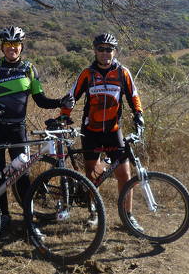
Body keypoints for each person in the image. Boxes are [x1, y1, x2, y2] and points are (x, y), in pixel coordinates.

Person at [0, 25, 74, 235]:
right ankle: (3, 216)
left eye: (16, 44)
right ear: (2, 47)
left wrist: (59, 102)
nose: (12, 48)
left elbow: (40, 100)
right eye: (8, 44)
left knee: (22, 173)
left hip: (18, 128)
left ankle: (28, 219)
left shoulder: (29, 69)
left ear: (22, 47)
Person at [59, 33, 145, 230]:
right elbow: (72, 96)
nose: (105, 53)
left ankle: (127, 217)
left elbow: (133, 96)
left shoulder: (123, 73)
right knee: (93, 175)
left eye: (109, 49)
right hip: (91, 130)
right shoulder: (87, 74)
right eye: (101, 49)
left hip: (114, 130)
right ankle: (94, 211)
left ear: (114, 51)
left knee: (124, 174)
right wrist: (64, 115)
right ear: (95, 50)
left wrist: (138, 115)